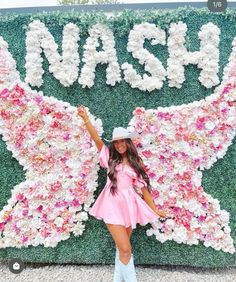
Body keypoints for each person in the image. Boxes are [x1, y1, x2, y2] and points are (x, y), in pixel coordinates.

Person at [77, 105, 168, 282]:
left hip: (129, 205)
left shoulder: (136, 163)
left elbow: (143, 189)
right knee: (126, 249)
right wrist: (85, 119)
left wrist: (155, 209)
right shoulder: (110, 159)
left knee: (122, 248)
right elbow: (96, 139)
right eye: (116, 142)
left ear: (128, 142)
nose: (118, 145)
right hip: (111, 204)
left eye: (122, 141)